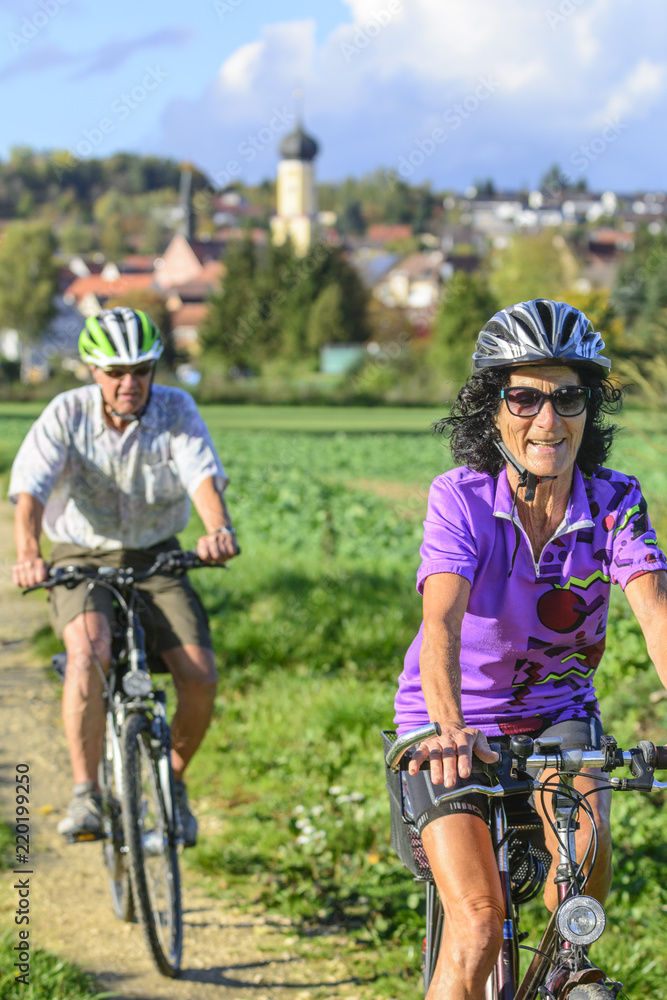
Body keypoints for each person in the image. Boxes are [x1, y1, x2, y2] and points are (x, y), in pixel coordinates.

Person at [393, 299, 667, 1000]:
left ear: (587, 410)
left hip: (557, 714)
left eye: (568, 397)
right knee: (479, 927)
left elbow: (653, 607)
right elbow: (441, 622)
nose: (548, 419)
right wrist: (448, 726)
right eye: (525, 397)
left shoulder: (613, 500)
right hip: (454, 722)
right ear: (493, 409)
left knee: (586, 862)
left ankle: (560, 973)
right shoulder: (460, 498)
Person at [10, 307, 238, 846]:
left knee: (201, 674)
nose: (129, 383)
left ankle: (171, 782)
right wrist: (27, 551)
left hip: (156, 554)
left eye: (140, 370)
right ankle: (87, 792)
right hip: (80, 557)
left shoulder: (177, 409)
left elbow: (202, 475)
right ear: (93, 370)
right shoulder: (66, 413)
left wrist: (217, 530)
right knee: (89, 653)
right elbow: (30, 493)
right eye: (116, 372)